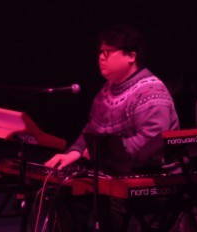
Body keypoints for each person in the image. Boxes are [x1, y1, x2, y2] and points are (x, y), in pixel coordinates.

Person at [43, 25, 179, 175]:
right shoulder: (107, 90)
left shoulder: (151, 90)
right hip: (120, 173)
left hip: (156, 177)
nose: (101, 57)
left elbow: (152, 141)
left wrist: (105, 151)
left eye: (107, 52)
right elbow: (92, 131)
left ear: (131, 56)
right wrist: (73, 153)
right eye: (101, 52)